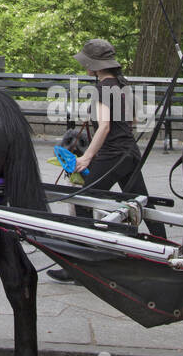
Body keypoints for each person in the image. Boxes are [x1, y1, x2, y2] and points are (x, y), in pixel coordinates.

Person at [48, 37, 167, 283]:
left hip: (112, 155)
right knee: (141, 202)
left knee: (82, 199)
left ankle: (80, 266)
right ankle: (168, 254)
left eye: (86, 62)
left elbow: (103, 128)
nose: (85, 67)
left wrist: (86, 158)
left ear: (95, 65)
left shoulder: (103, 89)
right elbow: (132, 122)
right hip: (129, 153)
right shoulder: (122, 85)